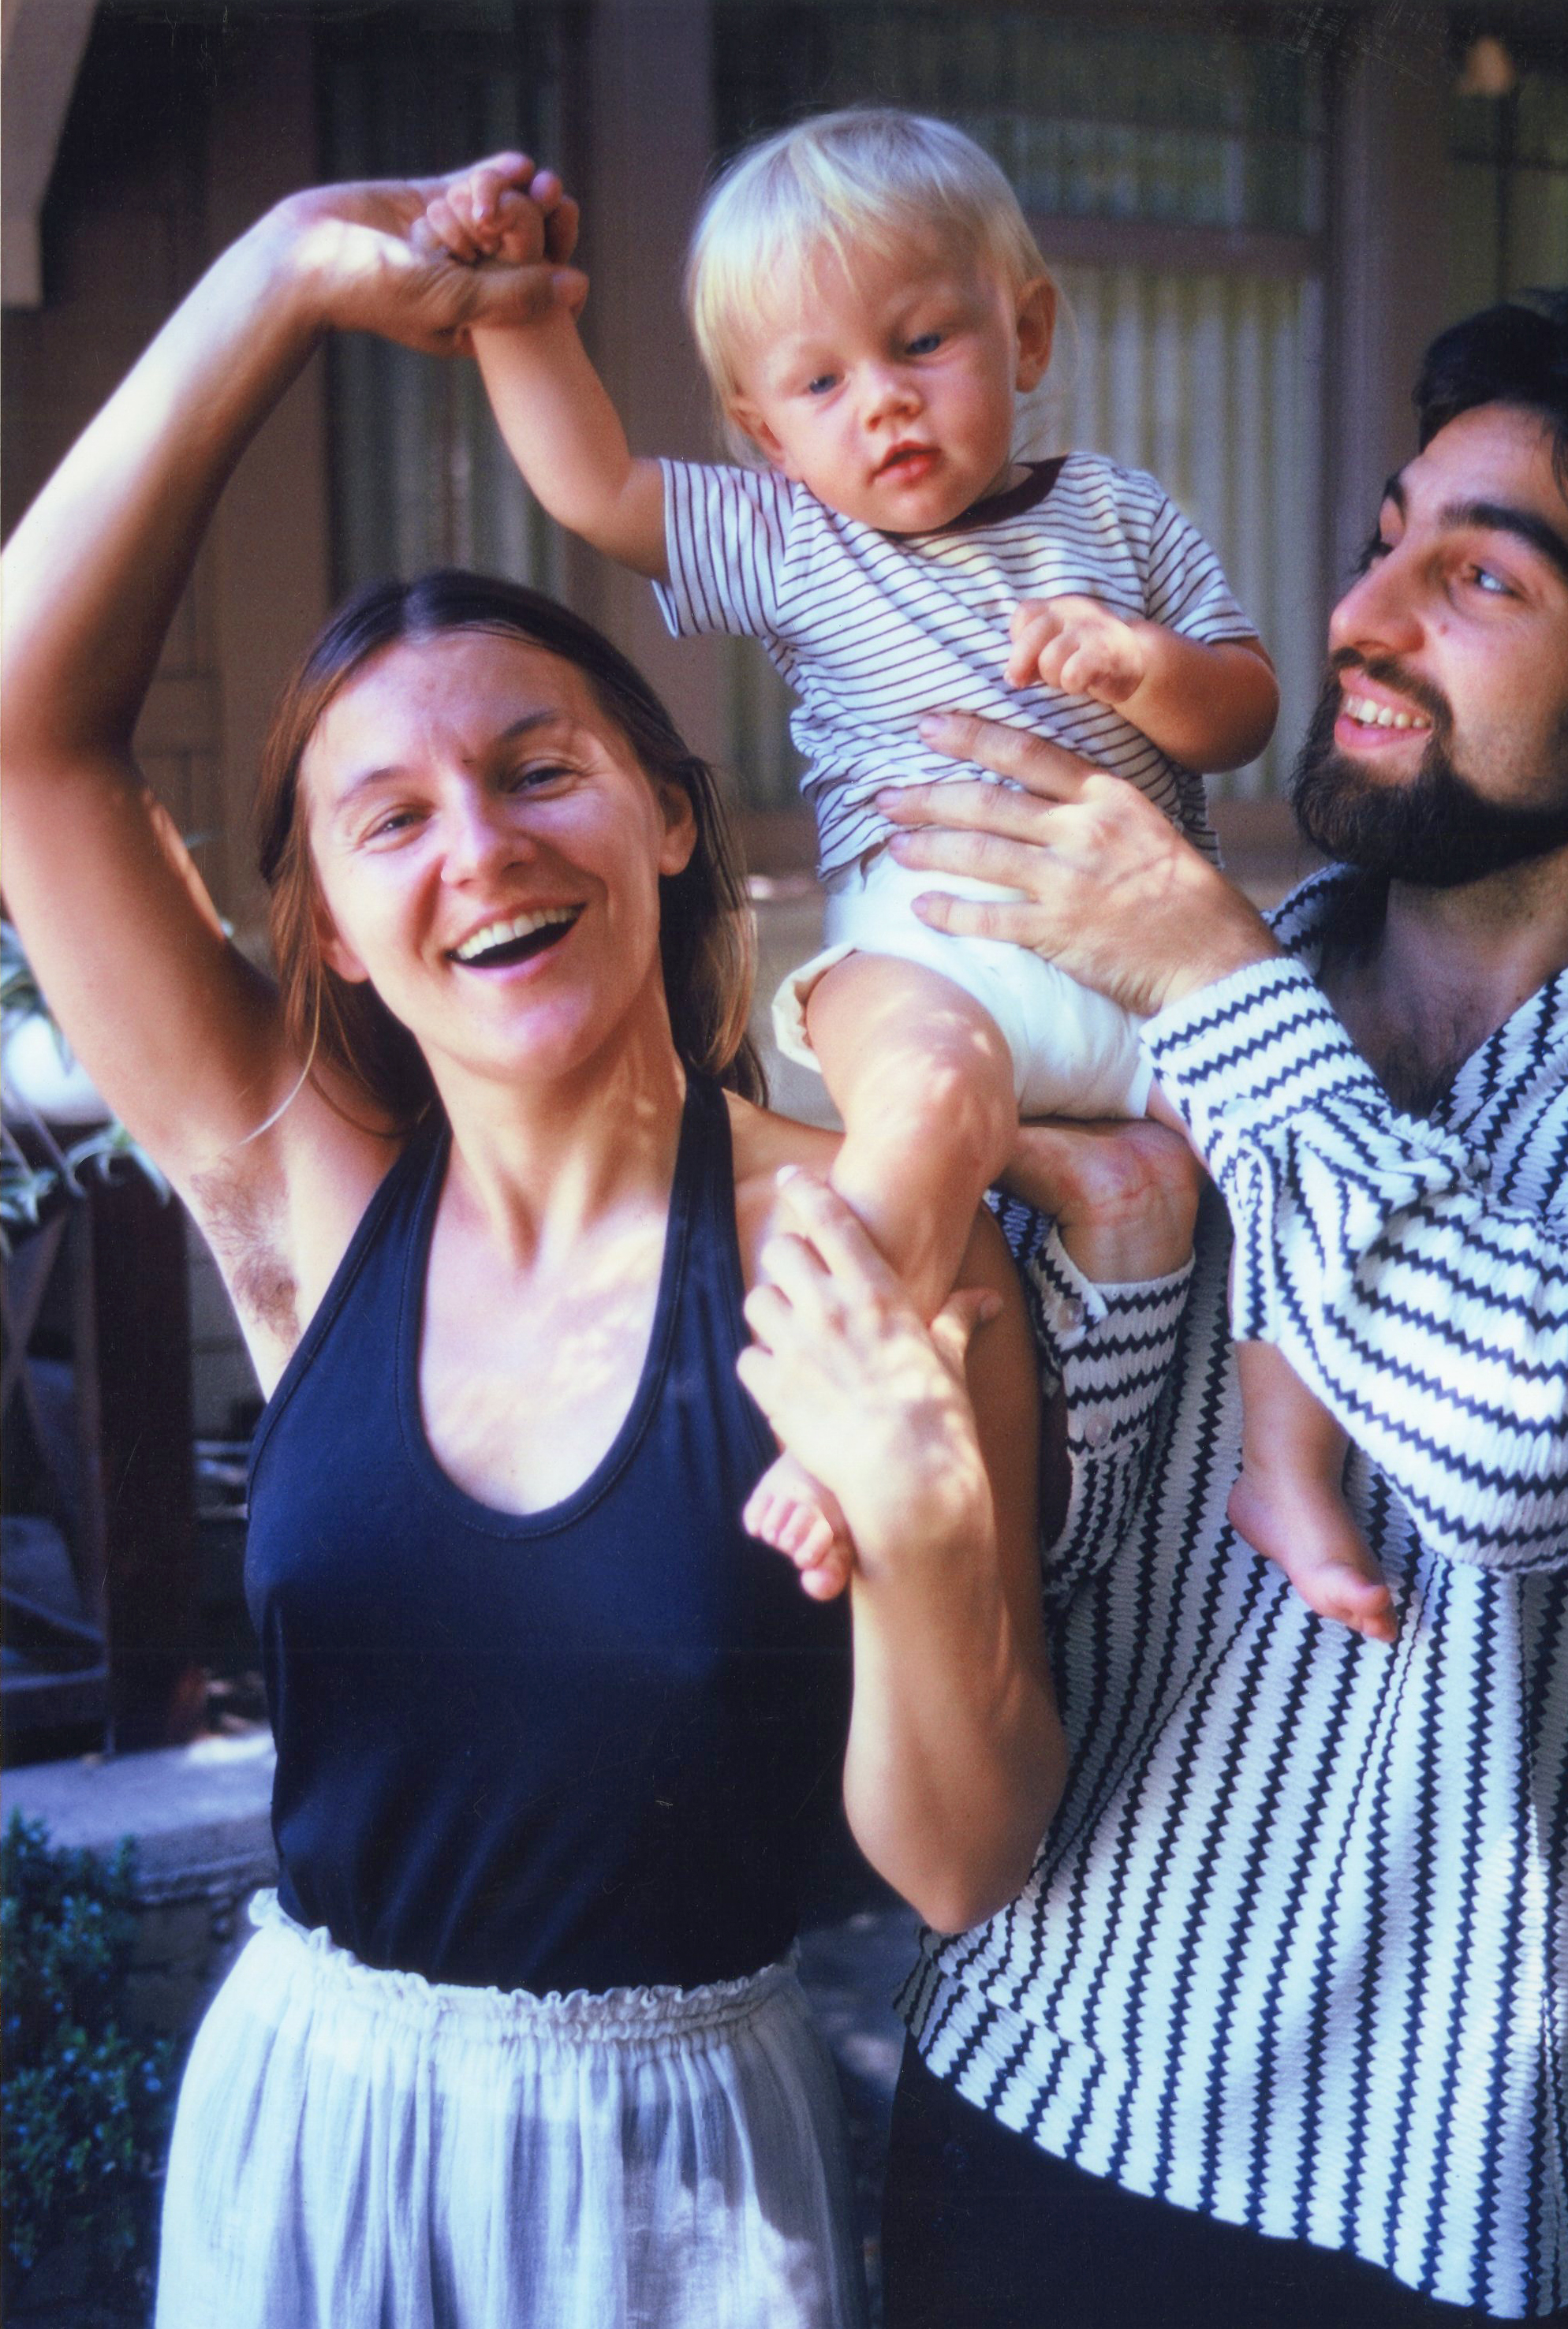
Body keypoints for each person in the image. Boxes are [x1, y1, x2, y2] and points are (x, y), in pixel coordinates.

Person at [0, 169, 1085, 2329]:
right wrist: (292, 275)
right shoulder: (308, 1196)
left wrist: (932, 1531)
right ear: (335, 921)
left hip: (670, 2187)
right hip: (308, 2119)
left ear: (668, 809)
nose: (479, 846)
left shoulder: (861, 1230)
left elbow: (962, 1862)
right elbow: (28, 732)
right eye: (388, 818)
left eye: (537, 769)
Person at [870, 291, 1568, 2324]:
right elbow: (1046, 1539)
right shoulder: (1196, 989)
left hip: (1460, 2216)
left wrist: (1213, 997)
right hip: (1028, 2116)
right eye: (1382, 538)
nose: (1360, 612)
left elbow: (1522, 1431)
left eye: (1478, 571)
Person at [418, 115, 1396, 1640]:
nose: (880, 404)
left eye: (920, 341)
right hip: (929, 952)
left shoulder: (1120, 513)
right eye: (821, 383)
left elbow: (1250, 707)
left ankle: (1286, 1462)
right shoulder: (799, 542)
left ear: (1026, 331)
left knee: (1285, 1150)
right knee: (925, 1105)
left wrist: (1147, 672)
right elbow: (594, 485)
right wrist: (520, 313)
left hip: (1149, 971)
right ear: (764, 429)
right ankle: (829, 1418)